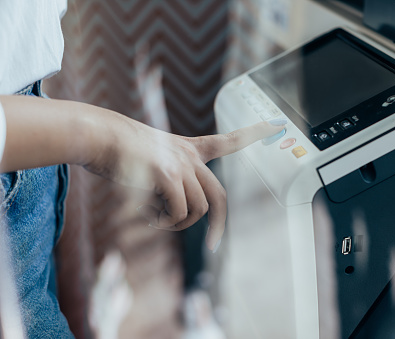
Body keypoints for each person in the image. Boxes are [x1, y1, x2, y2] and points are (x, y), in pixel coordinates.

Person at [0, 1, 286, 337]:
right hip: (18, 140)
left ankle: (196, 283)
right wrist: (102, 137)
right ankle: (98, 294)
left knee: (197, 154)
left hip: (25, 112)